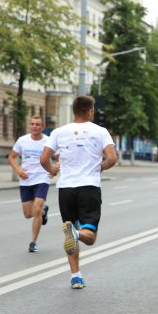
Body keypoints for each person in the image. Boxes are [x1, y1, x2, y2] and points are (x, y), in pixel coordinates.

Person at [40, 95, 117, 290]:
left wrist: (52, 171)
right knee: (89, 236)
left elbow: (43, 159)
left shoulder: (58, 132)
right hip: (88, 188)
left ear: (74, 111)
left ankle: (75, 275)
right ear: (90, 111)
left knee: (71, 232)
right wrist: (99, 167)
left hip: (65, 189)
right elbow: (112, 158)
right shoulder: (100, 131)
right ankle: (74, 234)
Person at [8, 115, 56, 253]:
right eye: (32, 124)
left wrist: (55, 169)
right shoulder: (22, 140)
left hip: (42, 179)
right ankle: (43, 211)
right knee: (28, 214)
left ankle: (33, 242)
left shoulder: (48, 142)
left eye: (38, 124)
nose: (35, 127)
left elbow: (60, 157)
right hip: (26, 180)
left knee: (36, 209)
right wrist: (18, 170)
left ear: (42, 127)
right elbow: (11, 157)